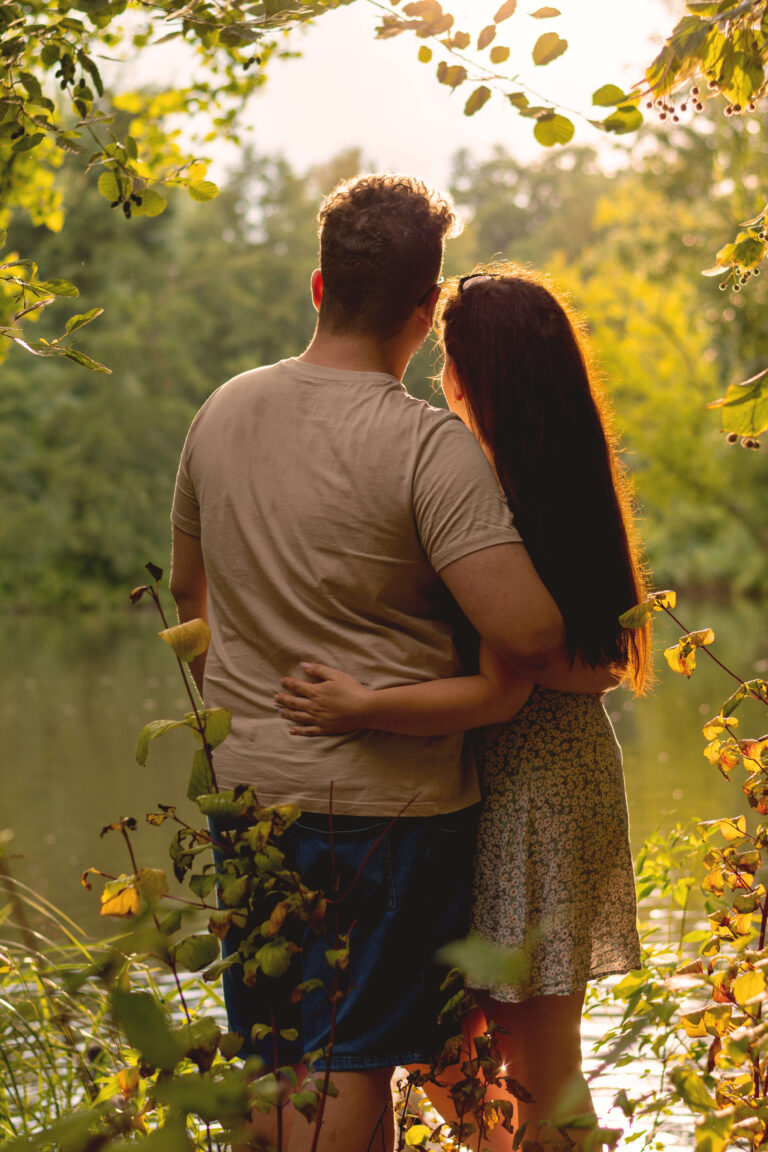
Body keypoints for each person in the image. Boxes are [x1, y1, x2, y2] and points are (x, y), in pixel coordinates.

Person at [169, 179, 614, 1152]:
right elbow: (538, 639)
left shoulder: (222, 411)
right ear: (425, 309)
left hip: (246, 796)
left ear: (319, 287)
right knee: (350, 1061)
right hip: (384, 812)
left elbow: (189, 599)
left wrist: (245, 710)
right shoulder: (425, 446)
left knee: (273, 1054)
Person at [274, 264, 651, 1149]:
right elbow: (584, 659)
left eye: (451, 357)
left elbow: (538, 672)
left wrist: (368, 701)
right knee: (462, 1050)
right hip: (520, 787)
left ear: (474, 375)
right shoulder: (541, 477)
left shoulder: (504, 493)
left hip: (530, 795)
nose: (441, 376)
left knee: (536, 1065)